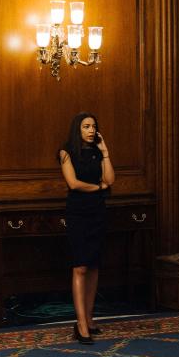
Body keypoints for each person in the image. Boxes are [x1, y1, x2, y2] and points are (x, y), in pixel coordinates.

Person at [58, 112, 115, 344]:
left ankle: (90, 319)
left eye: (94, 126)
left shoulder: (96, 152)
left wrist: (105, 152)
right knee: (80, 266)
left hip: (98, 212)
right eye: (86, 126)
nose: (91, 130)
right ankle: (80, 324)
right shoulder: (66, 152)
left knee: (93, 266)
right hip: (78, 213)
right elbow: (73, 183)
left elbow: (110, 180)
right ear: (77, 129)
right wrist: (97, 186)